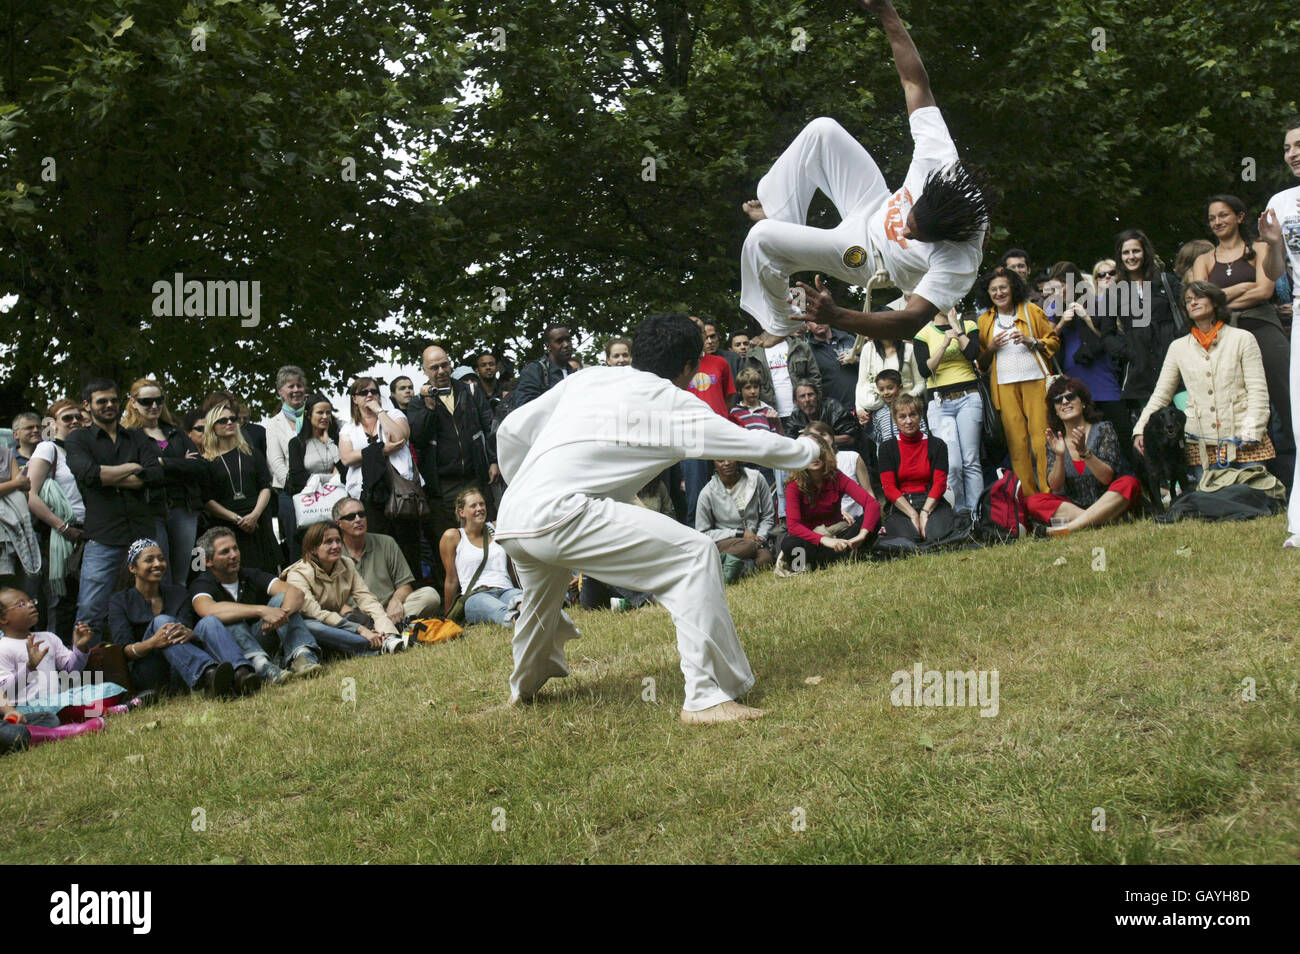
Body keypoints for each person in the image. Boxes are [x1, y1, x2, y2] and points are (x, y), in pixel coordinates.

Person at [493, 313, 823, 724]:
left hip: (514, 516)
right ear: (689, 367)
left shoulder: (587, 378)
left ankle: (522, 691)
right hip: (559, 513)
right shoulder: (676, 404)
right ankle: (705, 698)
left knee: (541, 605)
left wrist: (522, 485)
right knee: (694, 553)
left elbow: (509, 430)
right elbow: (751, 444)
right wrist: (810, 450)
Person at [739, 0, 988, 348]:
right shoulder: (940, 160)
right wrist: (886, 11)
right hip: (874, 204)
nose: (904, 230)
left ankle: (780, 321)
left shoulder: (960, 259)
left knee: (760, 239)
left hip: (868, 257)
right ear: (928, 191)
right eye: (910, 221)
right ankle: (784, 218)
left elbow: (910, 321)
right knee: (822, 131)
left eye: (914, 237)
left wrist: (837, 315)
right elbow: (914, 81)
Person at [1194, 195, 1291, 485]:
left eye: (1223, 215)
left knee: (1286, 399)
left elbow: (1263, 291)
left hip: (1262, 327)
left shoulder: (1260, 248)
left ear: (1239, 216)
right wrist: (1240, 287)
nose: (1217, 222)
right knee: (1241, 407)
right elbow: (1200, 301)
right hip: (1225, 338)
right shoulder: (1204, 259)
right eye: (1212, 218)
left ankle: (1294, 470)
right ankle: (1261, 477)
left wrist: (1219, 298)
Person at [1134, 282, 1271, 479]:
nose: (1193, 303)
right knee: (1213, 504)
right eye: (1188, 301)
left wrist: (1252, 429)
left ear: (1214, 302)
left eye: (1198, 297)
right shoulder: (1178, 347)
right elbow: (1161, 394)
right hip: (1202, 446)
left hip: (1243, 439)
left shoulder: (1243, 338)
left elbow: (1258, 390)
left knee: (1254, 499)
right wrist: (1140, 429)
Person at [65, 378, 166, 642]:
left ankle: (153, 665)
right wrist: (133, 468)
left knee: (154, 599)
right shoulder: (78, 439)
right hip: (103, 535)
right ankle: (87, 672)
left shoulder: (136, 437)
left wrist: (106, 476)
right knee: (90, 607)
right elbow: (86, 474)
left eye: (113, 400)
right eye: (102, 401)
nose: (109, 405)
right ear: (87, 405)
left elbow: (155, 474)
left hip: (142, 532)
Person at [106, 540, 258, 696]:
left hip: (182, 666)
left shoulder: (178, 593)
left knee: (209, 621)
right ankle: (208, 676)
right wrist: (152, 642)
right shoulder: (119, 601)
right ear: (132, 568)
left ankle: (241, 674)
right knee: (162, 622)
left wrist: (190, 633)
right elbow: (123, 651)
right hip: (151, 674)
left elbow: (186, 629)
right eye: (149, 560)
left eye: (161, 558)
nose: (158, 564)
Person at [406, 345, 499, 586]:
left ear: (451, 364)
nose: (441, 371)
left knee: (483, 533)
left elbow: (489, 427)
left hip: (474, 477)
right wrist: (428, 406)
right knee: (446, 543)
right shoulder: (418, 402)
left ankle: (490, 584)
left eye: (444, 365)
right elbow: (417, 436)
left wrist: (493, 460)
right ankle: (453, 599)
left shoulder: (470, 390)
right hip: (442, 484)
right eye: (434, 367)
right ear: (425, 371)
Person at [189, 527, 322, 682]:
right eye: (225, 552)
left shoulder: (250, 574)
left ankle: (303, 656)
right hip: (229, 653)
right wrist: (261, 611)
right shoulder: (201, 583)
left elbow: (296, 593)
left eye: (235, 549)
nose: (233, 555)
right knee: (230, 619)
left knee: (280, 599)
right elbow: (208, 610)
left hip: (260, 637)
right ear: (207, 561)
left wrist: (281, 615)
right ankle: (262, 668)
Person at [976, 266, 1059, 493]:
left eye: (1003, 287)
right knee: (1017, 444)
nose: (999, 293)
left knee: (1042, 440)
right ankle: (1029, 498)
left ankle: (1048, 492)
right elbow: (981, 364)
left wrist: (1030, 341)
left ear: (1013, 288)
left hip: (1035, 381)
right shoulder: (984, 320)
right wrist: (991, 348)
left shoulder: (1031, 310)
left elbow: (1053, 341)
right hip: (1003, 386)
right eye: (993, 289)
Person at [1257, 114, 1300, 546]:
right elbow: (1273, 273)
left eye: (1299, 144)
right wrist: (1271, 243)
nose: (1293, 153)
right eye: (1288, 147)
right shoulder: (1281, 202)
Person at [0, 589, 125, 733]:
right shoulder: (3, 647)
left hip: (58, 699)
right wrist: (29, 667)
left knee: (110, 688)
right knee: (68, 707)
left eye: (31, 601)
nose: (30, 605)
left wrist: (80, 648)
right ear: (3, 619)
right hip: (29, 707)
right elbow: (5, 690)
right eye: (21, 604)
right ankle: (108, 710)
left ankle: (101, 710)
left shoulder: (48, 637)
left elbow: (71, 670)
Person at [1041, 264, 1131, 461]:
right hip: (1074, 384)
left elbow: (1108, 338)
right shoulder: (1053, 308)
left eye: (1063, 286)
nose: (1059, 292)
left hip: (1103, 380)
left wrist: (1086, 317)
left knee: (1122, 436)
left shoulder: (1098, 302)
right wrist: (1063, 321)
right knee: (1087, 442)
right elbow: (1046, 344)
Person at [121, 378, 206, 585]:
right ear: (133, 402)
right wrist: (178, 464)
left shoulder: (175, 432)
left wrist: (160, 462)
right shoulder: (128, 436)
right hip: (150, 511)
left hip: (184, 508)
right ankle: (163, 617)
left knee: (183, 573)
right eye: (146, 401)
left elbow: (199, 467)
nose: (154, 406)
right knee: (158, 574)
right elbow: (139, 473)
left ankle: (180, 615)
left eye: (159, 400)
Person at [1027, 377, 1141, 532]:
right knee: (1033, 501)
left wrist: (1084, 452)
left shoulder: (1103, 429)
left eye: (1071, 396)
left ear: (1083, 402)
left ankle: (1068, 529)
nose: (1065, 402)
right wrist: (1060, 456)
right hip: (1074, 505)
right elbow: (1055, 485)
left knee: (1129, 483)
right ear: (1055, 410)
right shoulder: (1055, 440)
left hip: (1107, 499)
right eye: (1058, 400)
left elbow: (1107, 477)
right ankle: (1101, 519)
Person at [338, 376, 422, 582]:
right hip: (368, 494)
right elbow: (347, 457)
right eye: (363, 393)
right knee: (377, 545)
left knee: (408, 545)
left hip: (401, 492)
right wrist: (382, 450)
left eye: (373, 392)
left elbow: (400, 437)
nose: (369, 396)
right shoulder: (348, 428)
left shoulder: (393, 414)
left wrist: (379, 412)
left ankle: (414, 593)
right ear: (354, 399)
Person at [283, 521, 404, 655]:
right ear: (313, 548)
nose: (336, 546)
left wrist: (388, 630)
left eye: (338, 541)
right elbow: (315, 613)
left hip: (338, 623)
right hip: (312, 628)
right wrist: (360, 630)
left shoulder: (346, 564)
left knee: (363, 616)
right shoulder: (297, 574)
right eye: (328, 542)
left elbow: (367, 599)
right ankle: (371, 646)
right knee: (312, 626)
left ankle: (386, 639)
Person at [25, 400, 86, 640]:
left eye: (78, 417)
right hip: (60, 535)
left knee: (84, 599)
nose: (74, 422)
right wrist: (63, 527)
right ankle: (57, 665)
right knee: (61, 602)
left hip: (88, 532)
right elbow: (29, 493)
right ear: (52, 424)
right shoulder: (47, 449)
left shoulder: (83, 450)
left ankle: (82, 660)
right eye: (67, 418)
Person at [779, 430, 881, 573]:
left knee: (873, 520)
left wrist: (861, 536)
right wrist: (825, 540)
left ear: (826, 453)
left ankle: (846, 553)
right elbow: (793, 526)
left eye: (818, 451)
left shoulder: (836, 476)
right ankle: (838, 559)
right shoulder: (793, 485)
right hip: (814, 540)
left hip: (840, 535)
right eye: (808, 453)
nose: (814, 458)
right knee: (790, 543)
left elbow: (872, 504)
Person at [913, 306, 981, 514]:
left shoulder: (968, 325)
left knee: (971, 460)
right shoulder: (923, 334)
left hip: (968, 397)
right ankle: (959, 514)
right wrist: (944, 343)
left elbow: (972, 353)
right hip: (940, 402)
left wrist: (955, 328)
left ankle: (977, 513)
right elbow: (925, 369)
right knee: (952, 464)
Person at [333, 496, 441, 627]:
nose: (358, 519)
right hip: (358, 618)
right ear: (338, 523)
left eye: (361, 514)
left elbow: (405, 585)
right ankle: (386, 628)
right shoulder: (333, 553)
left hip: (391, 612)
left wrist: (396, 601)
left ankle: (383, 628)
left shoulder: (386, 542)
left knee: (430, 595)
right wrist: (356, 617)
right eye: (351, 517)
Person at [200, 403, 280, 574]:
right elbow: (207, 499)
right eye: (223, 420)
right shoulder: (206, 462)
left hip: (257, 521)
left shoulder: (252, 453)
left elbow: (265, 487)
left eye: (232, 419)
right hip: (228, 525)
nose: (229, 423)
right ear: (212, 426)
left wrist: (255, 515)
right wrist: (236, 519)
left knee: (268, 573)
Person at [1110, 228, 1182, 417]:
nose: (1131, 256)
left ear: (1145, 252)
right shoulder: (1116, 291)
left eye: (1136, 251)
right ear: (1120, 256)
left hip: (1176, 365)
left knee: (1190, 420)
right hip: (1142, 371)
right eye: (1126, 252)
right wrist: (1128, 350)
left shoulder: (1167, 281)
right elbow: (1107, 333)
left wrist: (1178, 342)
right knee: (1153, 430)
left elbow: (1187, 316)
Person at [876, 392, 957, 544]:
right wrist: (913, 515)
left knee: (935, 537)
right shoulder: (887, 448)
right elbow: (889, 488)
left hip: (932, 502)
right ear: (895, 420)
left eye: (913, 415)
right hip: (902, 504)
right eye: (902, 416)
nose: (908, 421)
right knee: (909, 540)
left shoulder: (937, 445)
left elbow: (940, 483)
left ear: (920, 416)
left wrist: (925, 513)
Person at [681, 314, 738, 523]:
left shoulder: (721, 363)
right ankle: (697, 537)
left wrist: (718, 416)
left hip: (719, 434)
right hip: (691, 437)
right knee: (696, 492)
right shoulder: (679, 366)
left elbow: (729, 396)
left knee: (727, 489)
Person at [439, 488, 521, 625]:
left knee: (522, 600)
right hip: (476, 595)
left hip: (505, 589)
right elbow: (451, 580)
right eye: (473, 506)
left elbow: (511, 568)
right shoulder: (453, 537)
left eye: (482, 504)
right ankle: (518, 622)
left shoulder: (497, 528)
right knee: (497, 610)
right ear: (461, 512)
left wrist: (520, 590)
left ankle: (528, 615)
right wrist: (449, 619)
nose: (480, 508)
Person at [695, 458, 777, 570]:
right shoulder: (707, 493)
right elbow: (703, 533)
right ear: (714, 463)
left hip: (755, 540)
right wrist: (738, 533)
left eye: (730, 458)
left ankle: (732, 567)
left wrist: (760, 538)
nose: (727, 463)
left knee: (766, 559)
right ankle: (712, 563)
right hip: (727, 542)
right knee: (748, 547)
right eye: (720, 460)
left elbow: (768, 515)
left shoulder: (756, 478)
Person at [264, 365, 310, 563]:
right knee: (297, 547)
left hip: (321, 492)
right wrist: (298, 487)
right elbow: (275, 462)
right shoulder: (274, 424)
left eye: (299, 385)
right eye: (290, 386)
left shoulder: (315, 416)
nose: (296, 390)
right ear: (281, 392)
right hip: (290, 493)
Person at [855, 335, 924, 429]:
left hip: (907, 409)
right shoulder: (869, 348)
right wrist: (859, 408)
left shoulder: (909, 349)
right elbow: (861, 383)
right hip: (878, 408)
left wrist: (906, 399)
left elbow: (920, 383)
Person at [286, 392, 342, 497]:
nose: (325, 416)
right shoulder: (297, 443)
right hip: (308, 499)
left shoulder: (338, 440)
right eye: (320, 412)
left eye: (328, 413)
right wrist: (332, 477)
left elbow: (345, 471)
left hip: (336, 495)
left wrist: (329, 442)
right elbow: (297, 477)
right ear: (308, 414)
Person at [513, 325, 575, 408]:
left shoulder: (575, 374)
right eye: (559, 341)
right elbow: (525, 407)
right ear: (548, 346)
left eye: (568, 340)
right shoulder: (534, 370)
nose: (566, 345)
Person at [787, 380, 859, 450]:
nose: (807, 399)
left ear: (818, 396)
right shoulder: (795, 417)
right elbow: (789, 444)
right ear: (796, 401)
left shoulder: (833, 408)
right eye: (802, 396)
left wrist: (818, 439)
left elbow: (850, 438)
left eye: (810, 395)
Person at [807, 320, 860, 411]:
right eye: (813, 321)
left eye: (820, 318)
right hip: (834, 411)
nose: (818, 323)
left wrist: (857, 359)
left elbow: (869, 367)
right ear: (807, 326)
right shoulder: (808, 350)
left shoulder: (848, 339)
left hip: (861, 405)